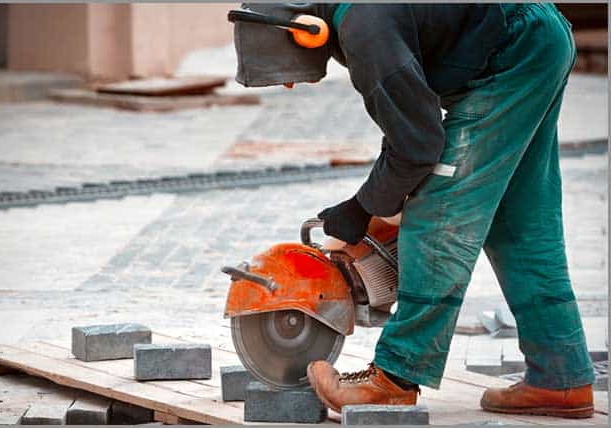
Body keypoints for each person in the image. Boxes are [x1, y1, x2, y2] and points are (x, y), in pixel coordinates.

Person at [228, 3, 596, 418]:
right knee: (520, 222)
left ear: (306, 31)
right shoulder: (361, 17)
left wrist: (362, 206)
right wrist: (369, 203)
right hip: (536, 41)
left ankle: (395, 378)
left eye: (284, 74)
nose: (291, 87)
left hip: (516, 49)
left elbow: (419, 145)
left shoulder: (364, 26)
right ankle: (560, 376)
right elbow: (411, 127)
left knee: (439, 215)